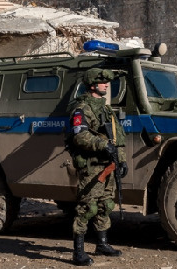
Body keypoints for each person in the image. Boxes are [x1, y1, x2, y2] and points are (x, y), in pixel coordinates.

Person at [67, 68, 128, 266]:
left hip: (108, 166)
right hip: (92, 167)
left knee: (106, 205)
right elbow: (80, 135)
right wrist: (103, 145)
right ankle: (78, 252)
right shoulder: (82, 108)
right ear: (92, 85)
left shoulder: (106, 109)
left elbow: (117, 137)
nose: (106, 85)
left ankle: (102, 244)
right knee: (87, 208)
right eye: (102, 82)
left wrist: (121, 159)